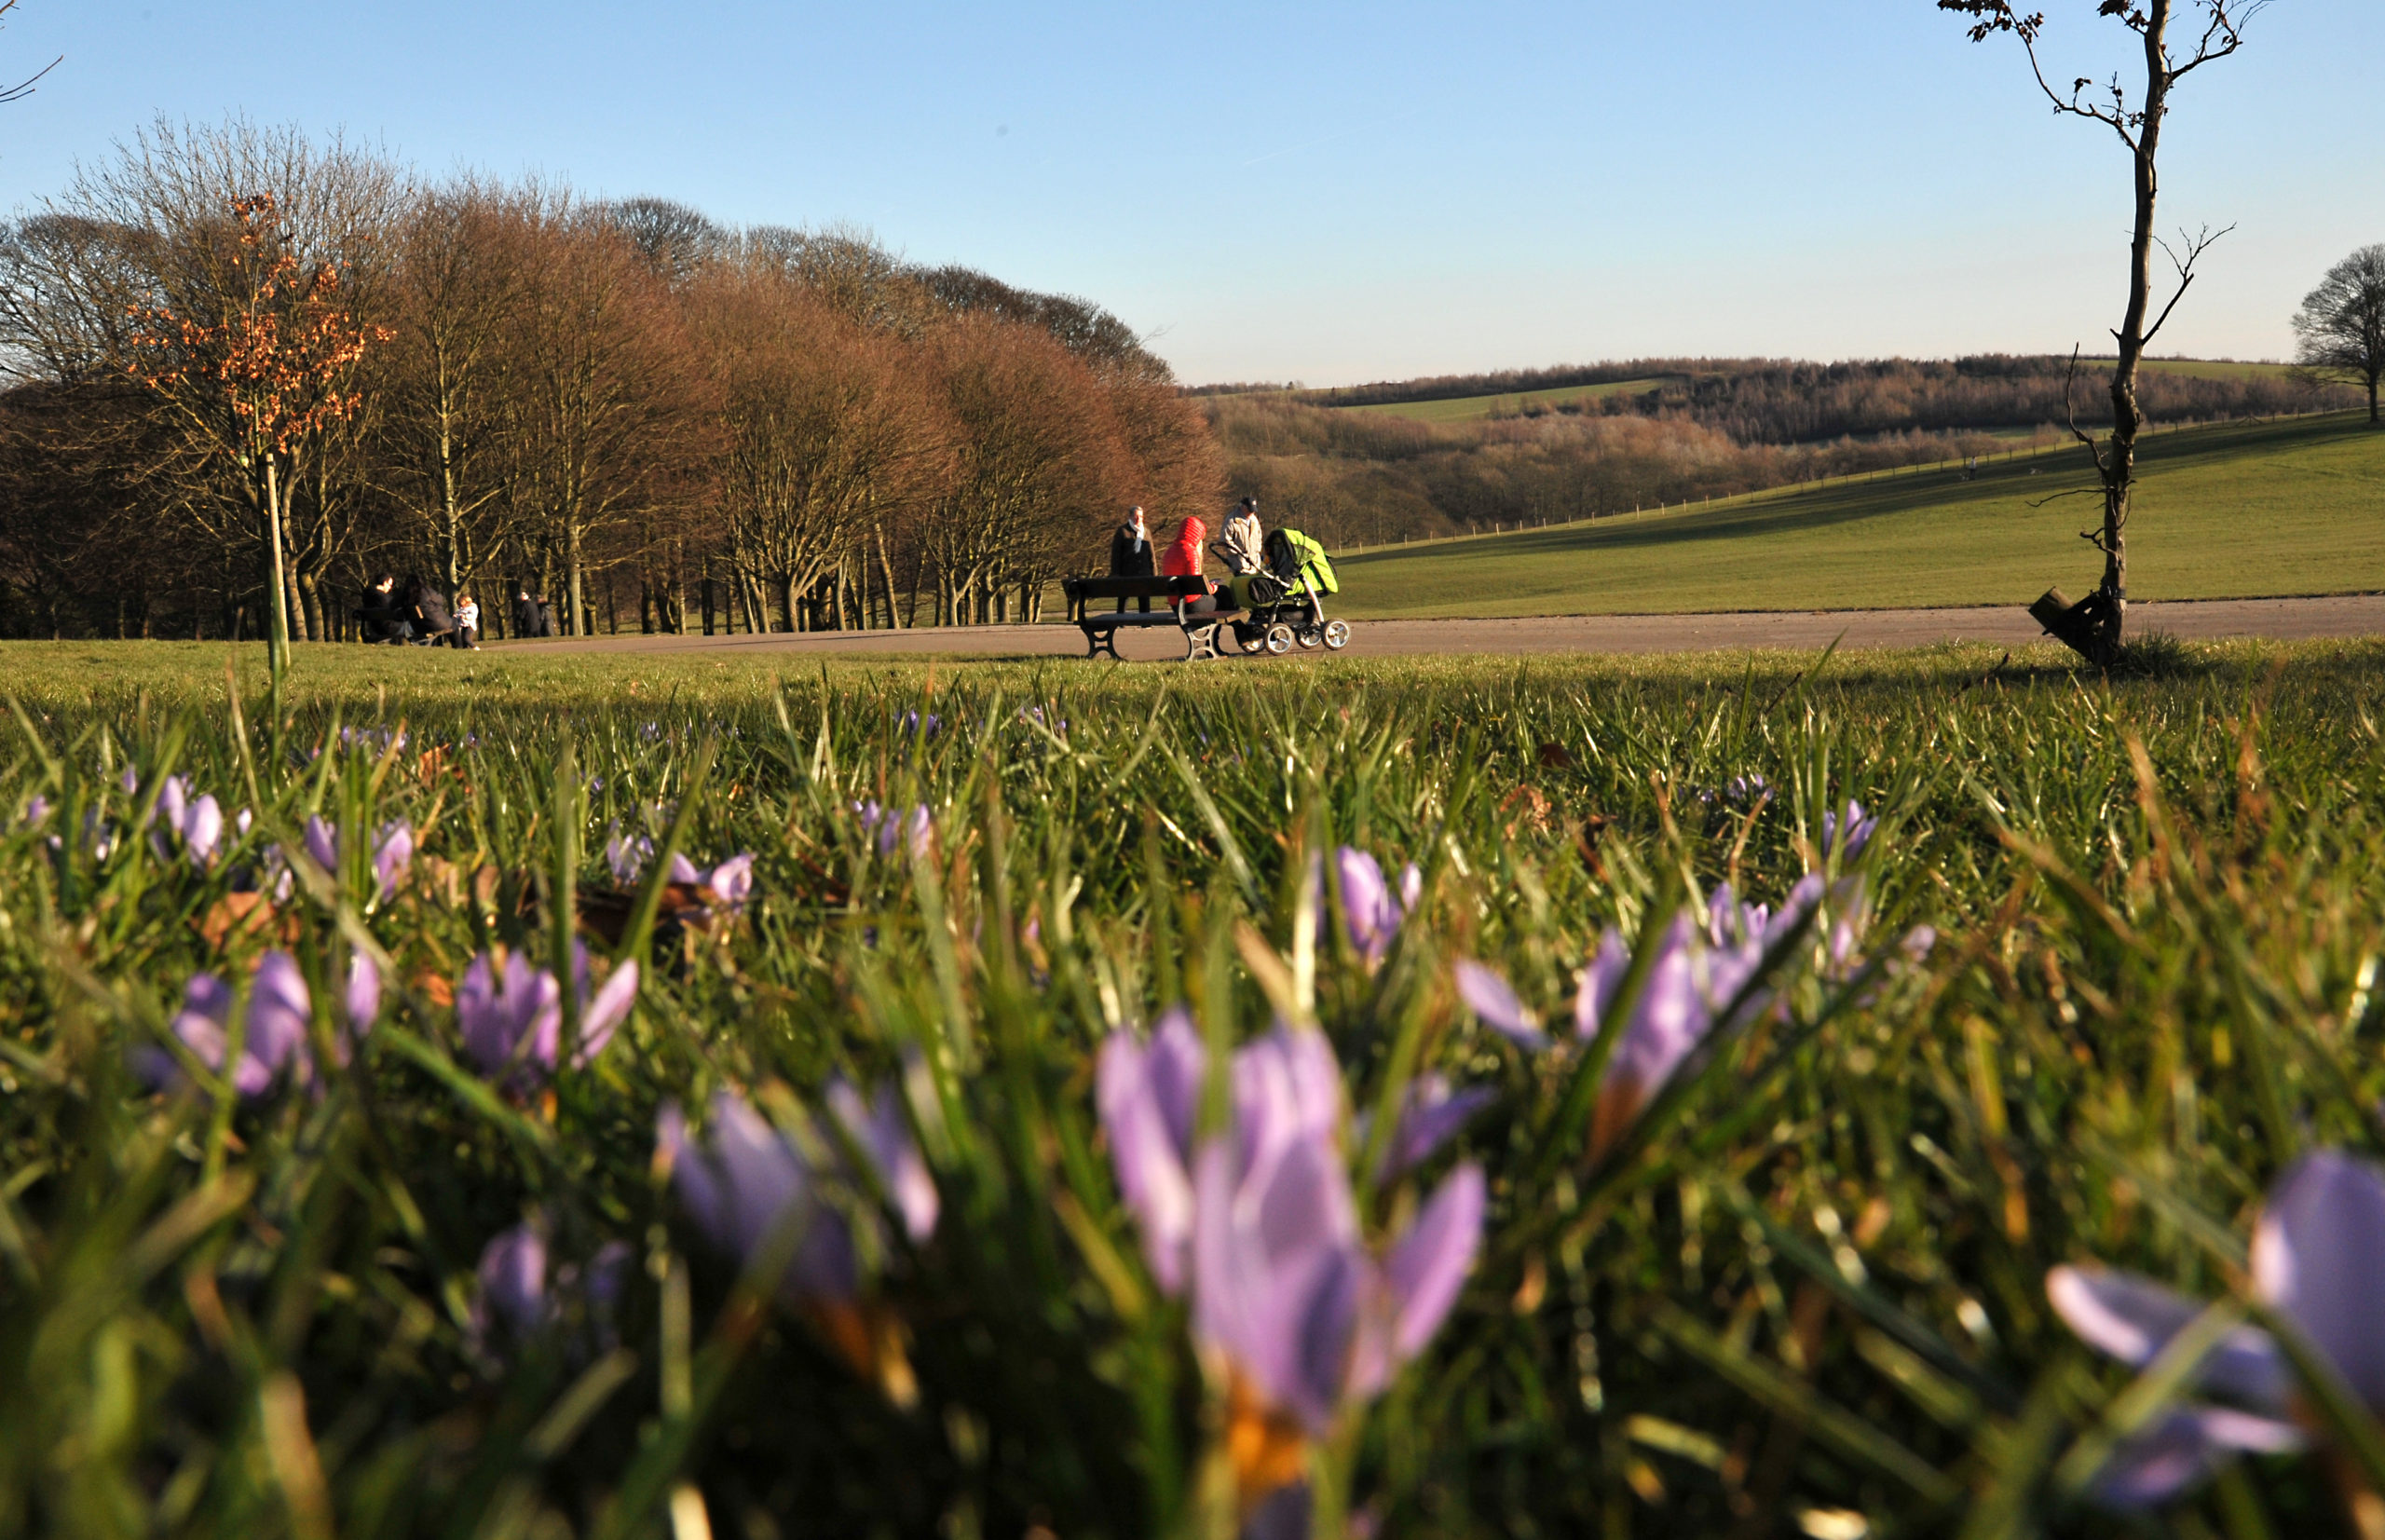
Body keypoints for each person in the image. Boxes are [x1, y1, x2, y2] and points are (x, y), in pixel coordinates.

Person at [1160, 515, 1223, 616]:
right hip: (1191, 605)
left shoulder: (1169, 551)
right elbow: (1196, 586)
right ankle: (1238, 628)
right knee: (1224, 593)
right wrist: (1213, 587)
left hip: (1175, 605)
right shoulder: (1190, 552)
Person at [1108, 505, 1155, 613]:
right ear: (1130, 517)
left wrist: (1154, 573)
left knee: (1144, 598)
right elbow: (1116, 555)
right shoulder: (1122, 531)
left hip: (1144, 572)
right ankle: (1120, 621)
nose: (1138, 519)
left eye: (1141, 516)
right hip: (1127, 572)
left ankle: (1145, 622)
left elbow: (1151, 554)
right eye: (1135, 516)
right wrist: (1116, 573)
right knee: (1123, 598)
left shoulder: (1146, 532)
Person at [356, 575, 412, 645]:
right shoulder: (384, 597)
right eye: (390, 584)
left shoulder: (367, 595)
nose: (390, 587)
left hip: (373, 628)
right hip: (387, 627)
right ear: (385, 583)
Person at [403, 575, 456, 647]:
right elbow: (440, 600)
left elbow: (393, 604)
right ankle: (458, 647)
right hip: (432, 624)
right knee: (454, 624)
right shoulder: (427, 591)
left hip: (417, 627)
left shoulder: (404, 594)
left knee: (441, 622)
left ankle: (439, 646)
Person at [1220, 496, 1264, 576]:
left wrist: (1257, 550)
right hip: (1239, 565)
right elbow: (1225, 540)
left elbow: (1259, 536)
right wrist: (1239, 553)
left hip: (1254, 564)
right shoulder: (1231, 520)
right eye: (1250, 510)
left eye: (1253, 510)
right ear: (1243, 507)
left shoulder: (1254, 519)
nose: (1252, 513)